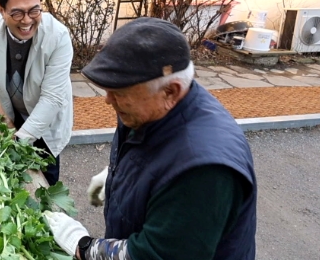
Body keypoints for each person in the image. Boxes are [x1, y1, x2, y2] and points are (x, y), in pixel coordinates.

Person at [44, 17, 257, 260]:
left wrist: (82, 246)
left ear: (170, 91)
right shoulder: (148, 108)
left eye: (119, 92)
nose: (107, 100)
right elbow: (149, 155)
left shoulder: (203, 171)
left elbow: (152, 255)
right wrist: (117, 176)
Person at [0, 0, 73, 185]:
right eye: (17, 13)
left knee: (45, 180)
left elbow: (52, 99)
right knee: (10, 181)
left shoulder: (58, 37)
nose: (27, 21)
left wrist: (16, 142)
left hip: (47, 121)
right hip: (15, 111)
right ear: (2, 11)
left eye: (34, 10)